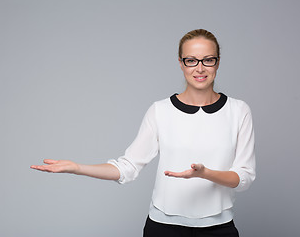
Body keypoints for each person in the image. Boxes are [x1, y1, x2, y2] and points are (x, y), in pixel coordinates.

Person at [31, 29, 256, 237]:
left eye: (208, 60)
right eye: (191, 60)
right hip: (163, 228)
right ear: (180, 63)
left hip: (218, 228)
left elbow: (244, 178)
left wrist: (205, 173)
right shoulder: (160, 111)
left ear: (217, 62)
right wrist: (77, 168)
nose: (200, 68)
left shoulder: (238, 111)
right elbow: (128, 167)